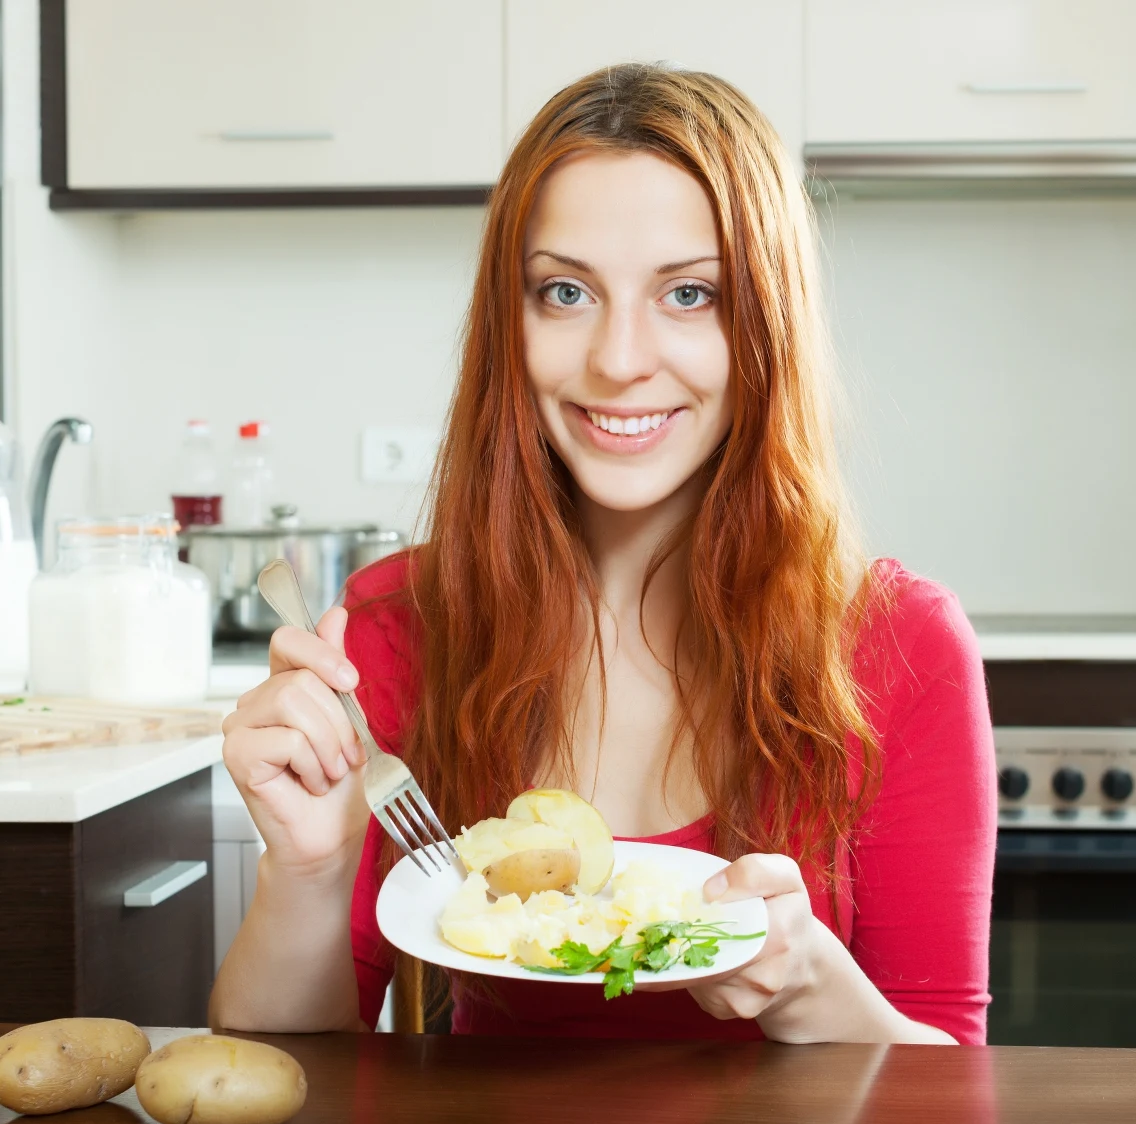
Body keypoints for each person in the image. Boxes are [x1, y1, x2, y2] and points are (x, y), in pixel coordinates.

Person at [211, 64, 996, 1044]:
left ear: (767, 324)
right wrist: (307, 871)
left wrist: (810, 989)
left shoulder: (901, 646)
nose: (619, 359)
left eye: (689, 293)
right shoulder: (401, 625)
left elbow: (948, 1090)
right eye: (567, 291)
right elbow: (279, 1075)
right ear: (510, 320)